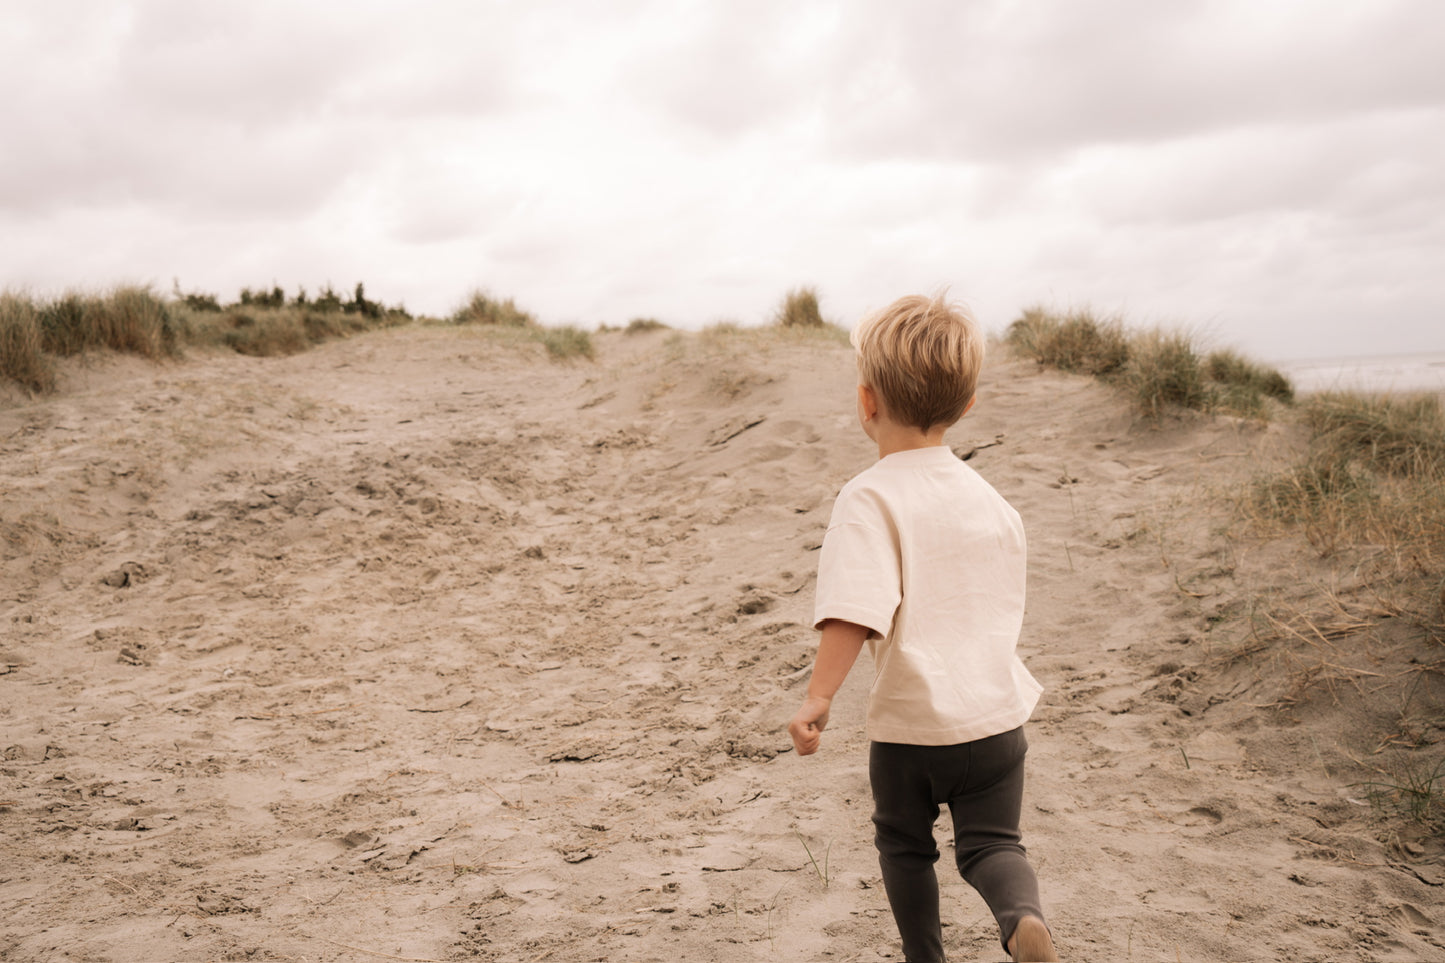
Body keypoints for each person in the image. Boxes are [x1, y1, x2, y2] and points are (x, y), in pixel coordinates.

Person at [787, 294, 1058, 963]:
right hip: (997, 721)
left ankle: (924, 958)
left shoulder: (870, 495)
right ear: (965, 407)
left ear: (866, 401)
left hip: (912, 729)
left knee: (904, 844)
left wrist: (819, 696)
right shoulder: (991, 500)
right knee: (994, 844)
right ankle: (1020, 915)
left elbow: (855, 607)